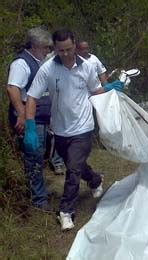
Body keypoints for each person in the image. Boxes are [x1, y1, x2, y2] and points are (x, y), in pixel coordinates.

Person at [23, 29, 125, 231]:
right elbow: (32, 97)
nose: (66, 54)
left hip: (83, 127)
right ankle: (95, 180)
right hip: (60, 129)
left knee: (73, 169)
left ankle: (66, 211)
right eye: (61, 50)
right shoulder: (48, 69)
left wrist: (110, 87)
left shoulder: (86, 67)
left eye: (69, 49)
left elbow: (95, 91)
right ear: (55, 48)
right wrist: (30, 126)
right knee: (75, 164)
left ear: (74, 45)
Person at [6, 27, 53, 211]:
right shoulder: (21, 63)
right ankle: (38, 201)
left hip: (40, 119)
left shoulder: (37, 61)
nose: (47, 51)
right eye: (45, 47)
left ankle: (39, 195)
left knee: (39, 157)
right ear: (35, 46)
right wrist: (22, 114)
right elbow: (12, 88)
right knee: (33, 158)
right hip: (30, 120)